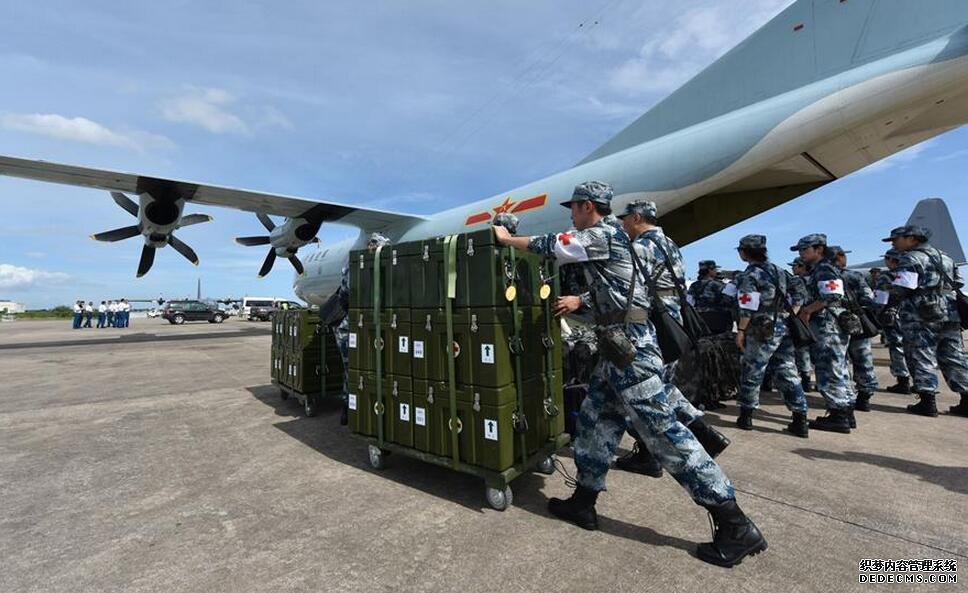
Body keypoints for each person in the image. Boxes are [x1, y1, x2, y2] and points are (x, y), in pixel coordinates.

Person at [493, 181, 767, 568]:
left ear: (588, 206)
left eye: (574, 207)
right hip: (615, 348)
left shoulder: (601, 235)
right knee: (594, 421)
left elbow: (550, 245)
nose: (570, 213)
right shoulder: (619, 239)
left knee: (666, 436)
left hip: (632, 353)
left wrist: (506, 239)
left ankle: (735, 524)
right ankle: (584, 502)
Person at [611, 200, 730, 476]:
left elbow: (627, 289)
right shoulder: (669, 244)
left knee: (644, 391)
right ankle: (698, 433)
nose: (623, 224)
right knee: (660, 386)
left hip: (653, 323)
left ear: (637, 217)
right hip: (672, 321)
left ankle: (686, 444)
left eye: (625, 219)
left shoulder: (641, 247)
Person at [880, 225, 968, 417]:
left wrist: (885, 305)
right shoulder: (945, 257)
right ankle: (966, 399)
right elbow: (958, 282)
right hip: (950, 312)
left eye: (896, 239)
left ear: (912, 239)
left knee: (922, 355)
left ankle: (927, 402)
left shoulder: (910, 258)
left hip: (921, 314)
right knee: (954, 356)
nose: (894, 243)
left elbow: (903, 288)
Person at [732, 235, 809, 437]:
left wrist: (740, 331)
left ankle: (746, 416)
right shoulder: (779, 270)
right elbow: (800, 289)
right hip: (783, 326)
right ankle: (800, 418)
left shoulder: (751, 274)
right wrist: (792, 310)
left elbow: (747, 306)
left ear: (745, 252)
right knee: (787, 370)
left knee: (752, 369)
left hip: (761, 327)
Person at [793, 234, 856, 433]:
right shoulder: (822, 268)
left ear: (818, 249)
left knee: (830, 369)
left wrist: (807, 310)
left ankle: (839, 416)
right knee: (840, 367)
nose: (802, 254)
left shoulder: (824, 269)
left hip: (827, 326)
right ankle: (845, 411)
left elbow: (832, 295)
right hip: (830, 325)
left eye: (805, 250)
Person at [332, 232, 392, 425]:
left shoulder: (355, 266)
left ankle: (353, 408)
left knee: (353, 370)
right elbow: (347, 294)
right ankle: (353, 408)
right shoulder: (362, 266)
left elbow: (345, 293)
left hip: (354, 328)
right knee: (357, 369)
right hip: (352, 329)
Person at [832, 246, 880, 411]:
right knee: (863, 359)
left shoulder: (823, 277)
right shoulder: (855, 276)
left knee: (840, 361)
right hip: (857, 322)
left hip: (835, 324)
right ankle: (865, 398)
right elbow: (869, 298)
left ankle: (845, 397)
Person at [874, 250, 911, 394]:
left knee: (896, 347)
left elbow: (880, 300)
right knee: (911, 348)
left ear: (890, 260)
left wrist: (876, 314)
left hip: (892, 316)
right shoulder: (908, 275)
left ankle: (903, 381)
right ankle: (919, 382)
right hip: (909, 316)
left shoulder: (886, 277)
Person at [789, 258, 816, 391]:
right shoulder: (817, 279)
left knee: (803, 350)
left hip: (803, 317)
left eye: (794, 266)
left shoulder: (797, 281)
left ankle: (806, 380)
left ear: (801, 267)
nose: (792, 269)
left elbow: (797, 301)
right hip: (821, 320)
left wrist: (792, 317)